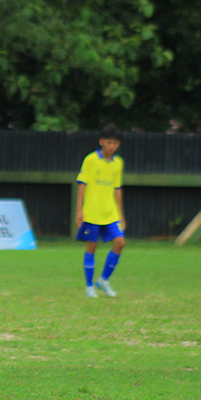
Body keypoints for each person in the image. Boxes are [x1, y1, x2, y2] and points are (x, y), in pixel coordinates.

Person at [75, 124, 125, 298]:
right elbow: (82, 184)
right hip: (92, 212)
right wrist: (79, 210)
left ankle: (103, 280)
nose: (112, 146)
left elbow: (117, 189)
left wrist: (121, 215)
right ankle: (89, 286)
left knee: (120, 243)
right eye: (109, 142)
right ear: (101, 142)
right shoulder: (90, 160)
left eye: (115, 143)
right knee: (92, 246)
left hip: (110, 213)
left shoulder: (118, 163)